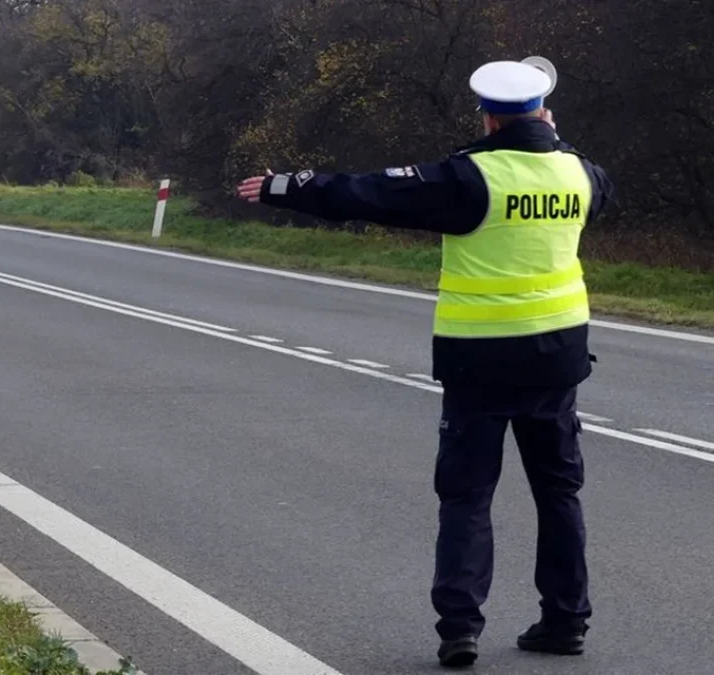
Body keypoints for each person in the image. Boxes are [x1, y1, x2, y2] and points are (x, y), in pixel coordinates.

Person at [236, 60, 614, 668]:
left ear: (488, 116)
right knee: (559, 493)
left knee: (467, 496)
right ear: (541, 113)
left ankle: (459, 629)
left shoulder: (469, 179)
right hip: (556, 359)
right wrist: (555, 138)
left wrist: (286, 186)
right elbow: (593, 181)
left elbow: (370, 191)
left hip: (479, 363)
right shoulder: (581, 175)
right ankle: (566, 620)